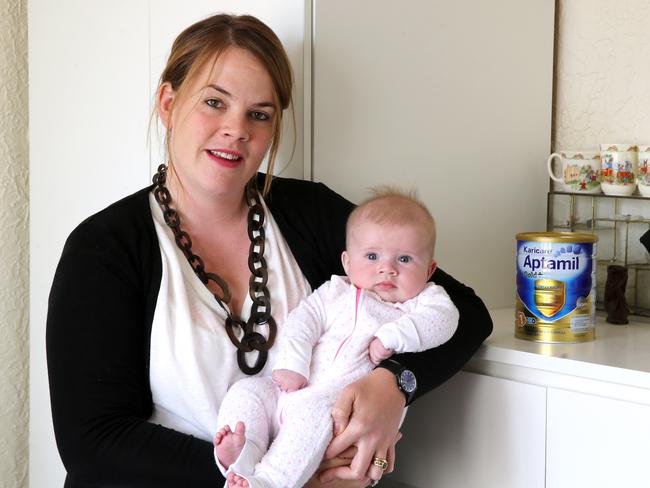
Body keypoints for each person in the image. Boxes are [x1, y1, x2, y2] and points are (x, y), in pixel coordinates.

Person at [46, 12, 493, 488]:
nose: (236, 129)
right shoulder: (104, 249)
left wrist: (395, 385)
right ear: (168, 104)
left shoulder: (310, 214)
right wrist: (281, 480)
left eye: (259, 114)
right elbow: (93, 442)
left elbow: (465, 311)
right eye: (214, 103)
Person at [214, 189, 459, 488]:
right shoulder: (334, 293)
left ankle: (267, 481)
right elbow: (302, 322)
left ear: (430, 269)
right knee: (248, 391)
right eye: (371, 256)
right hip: (291, 389)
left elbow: (445, 321)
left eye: (405, 259)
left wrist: (392, 337)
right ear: (347, 262)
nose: (387, 268)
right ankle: (245, 452)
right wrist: (294, 362)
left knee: (312, 417)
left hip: (337, 409)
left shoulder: (423, 300)